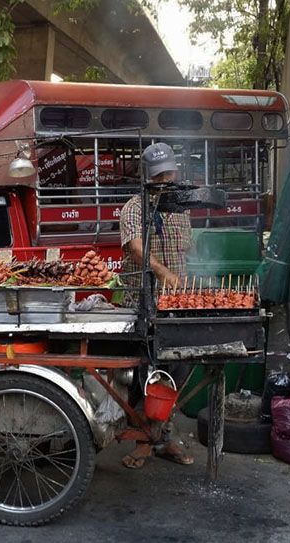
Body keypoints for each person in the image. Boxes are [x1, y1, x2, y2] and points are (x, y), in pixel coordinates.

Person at [118, 142, 194, 470]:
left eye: (170, 173)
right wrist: (164, 274)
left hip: (175, 305)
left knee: (179, 368)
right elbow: (136, 248)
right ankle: (144, 439)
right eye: (160, 175)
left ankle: (161, 436)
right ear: (147, 178)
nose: (166, 179)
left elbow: (188, 253)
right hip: (143, 304)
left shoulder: (181, 209)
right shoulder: (134, 208)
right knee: (148, 372)